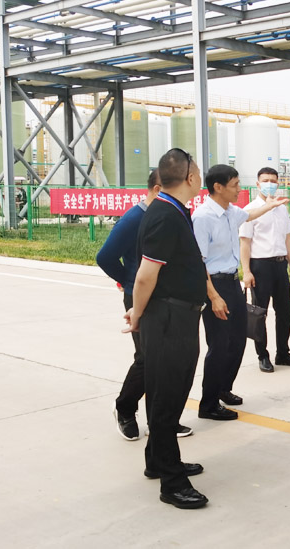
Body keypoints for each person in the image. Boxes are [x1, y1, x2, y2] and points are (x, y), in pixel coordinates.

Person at [124, 148, 216, 510]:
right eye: (198, 172)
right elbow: (145, 276)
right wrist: (137, 315)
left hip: (178, 316)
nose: (200, 177)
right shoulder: (165, 215)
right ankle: (172, 483)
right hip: (167, 319)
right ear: (190, 178)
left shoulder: (173, 210)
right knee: (166, 399)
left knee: (171, 394)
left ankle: (158, 461)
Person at [97, 171, 195, 441]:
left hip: (166, 296)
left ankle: (160, 421)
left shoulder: (171, 215)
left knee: (167, 360)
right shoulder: (135, 218)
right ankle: (125, 408)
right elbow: (105, 257)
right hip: (140, 295)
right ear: (157, 189)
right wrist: (127, 280)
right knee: (147, 359)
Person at [192, 164, 287, 421]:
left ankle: (224, 388)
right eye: (234, 185)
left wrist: (270, 206)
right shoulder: (203, 217)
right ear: (218, 187)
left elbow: (250, 214)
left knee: (237, 340)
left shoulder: (230, 211)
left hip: (233, 283)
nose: (238, 189)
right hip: (215, 285)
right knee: (219, 345)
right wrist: (213, 297)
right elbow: (199, 262)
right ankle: (208, 404)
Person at [240, 167, 290, 373]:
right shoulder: (250, 210)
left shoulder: (281, 208)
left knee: (285, 312)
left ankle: (283, 353)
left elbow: (287, 238)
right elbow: (245, 243)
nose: (270, 184)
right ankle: (263, 355)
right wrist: (247, 271)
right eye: (266, 180)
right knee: (260, 313)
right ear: (258, 184)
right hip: (260, 265)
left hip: (280, 264)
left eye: (274, 181)